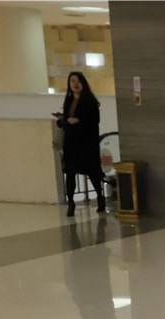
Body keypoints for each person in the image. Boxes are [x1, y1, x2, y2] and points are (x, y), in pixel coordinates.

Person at [54, 71, 105, 217]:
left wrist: (79, 121)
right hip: (71, 143)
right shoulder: (69, 101)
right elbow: (67, 121)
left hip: (86, 143)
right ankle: (71, 202)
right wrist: (63, 120)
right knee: (70, 173)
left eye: (77, 81)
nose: (75, 84)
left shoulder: (89, 101)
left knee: (92, 171)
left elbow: (94, 121)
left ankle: (100, 197)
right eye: (72, 81)